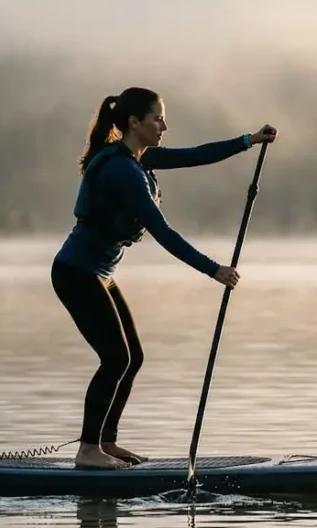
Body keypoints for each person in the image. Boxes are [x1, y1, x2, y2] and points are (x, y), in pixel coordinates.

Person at [51, 86, 278, 469]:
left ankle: (106, 442)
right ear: (134, 122)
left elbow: (194, 156)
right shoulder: (123, 170)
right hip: (77, 272)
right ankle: (88, 450)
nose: (164, 125)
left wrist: (248, 141)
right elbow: (163, 231)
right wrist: (214, 269)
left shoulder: (140, 159)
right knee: (116, 358)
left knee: (131, 356)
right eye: (157, 118)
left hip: (96, 272)